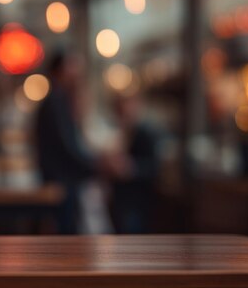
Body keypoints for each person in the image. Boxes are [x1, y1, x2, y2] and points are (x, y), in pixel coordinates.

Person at [35, 53, 95, 234]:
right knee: (66, 234)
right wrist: (96, 166)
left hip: (62, 180)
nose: (76, 71)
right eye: (72, 66)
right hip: (61, 182)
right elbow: (66, 147)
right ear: (60, 70)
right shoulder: (55, 101)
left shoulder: (58, 100)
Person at [103, 94, 159, 234]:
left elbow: (154, 168)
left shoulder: (145, 133)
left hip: (136, 201)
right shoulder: (119, 133)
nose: (123, 114)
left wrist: (131, 167)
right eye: (120, 111)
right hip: (119, 199)